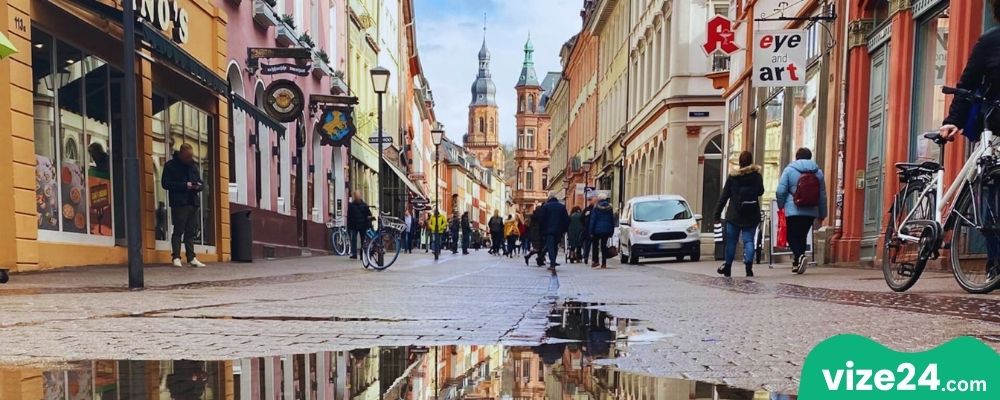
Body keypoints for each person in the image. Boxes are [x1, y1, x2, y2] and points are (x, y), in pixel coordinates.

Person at [939, 7, 1000, 280]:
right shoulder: (990, 40)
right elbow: (968, 83)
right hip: (996, 128)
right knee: (993, 194)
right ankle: (995, 264)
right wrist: (953, 119)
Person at [713, 151, 765, 277]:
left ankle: (728, 268)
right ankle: (748, 267)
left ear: (740, 162)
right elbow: (761, 191)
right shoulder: (756, 176)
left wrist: (717, 214)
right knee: (748, 241)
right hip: (751, 214)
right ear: (751, 161)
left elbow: (724, 196)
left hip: (734, 215)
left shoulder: (733, 177)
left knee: (731, 242)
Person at [776, 148, 827, 274]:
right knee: (802, 235)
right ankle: (797, 263)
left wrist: (781, 205)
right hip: (810, 210)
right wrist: (822, 213)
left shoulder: (789, 170)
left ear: (797, 157)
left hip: (793, 209)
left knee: (791, 236)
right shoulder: (818, 172)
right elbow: (822, 195)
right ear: (810, 157)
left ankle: (799, 256)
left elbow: (780, 191)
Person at [161, 143, 206, 268]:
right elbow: (165, 183)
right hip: (179, 203)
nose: (189, 159)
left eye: (190, 157)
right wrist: (184, 185)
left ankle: (191, 257)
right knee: (178, 230)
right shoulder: (171, 166)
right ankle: (176, 257)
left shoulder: (193, 166)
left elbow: (201, 182)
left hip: (192, 201)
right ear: (180, 154)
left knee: (191, 231)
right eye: (187, 157)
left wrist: (198, 186)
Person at [536, 193, 570, 271]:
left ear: (549, 198)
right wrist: (564, 230)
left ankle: (552, 264)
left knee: (550, 247)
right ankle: (552, 261)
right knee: (555, 246)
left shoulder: (546, 207)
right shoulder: (562, 207)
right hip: (558, 231)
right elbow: (566, 220)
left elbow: (541, 220)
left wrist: (541, 230)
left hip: (548, 231)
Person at [588, 195, 616, 269]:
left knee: (595, 245)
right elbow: (612, 220)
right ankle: (604, 263)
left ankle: (596, 261)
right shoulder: (610, 208)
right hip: (607, 230)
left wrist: (590, 231)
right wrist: (612, 231)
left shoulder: (596, 207)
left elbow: (593, 220)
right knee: (603, 246)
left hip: (597, 230)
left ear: (599, 199)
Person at [346, 191, 373, 260]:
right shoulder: (351, 205)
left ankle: (362, 254)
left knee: (363, 240)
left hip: (363, 225)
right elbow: (349, 216)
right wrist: (349, 225)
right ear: (355, 197)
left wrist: (369, 222)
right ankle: (354, 254)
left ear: (360, 196)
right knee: (353, 239)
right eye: (356, 196)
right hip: (354, 225)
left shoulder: (364, 205)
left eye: (358, 195)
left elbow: (369, 214)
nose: (357, 197)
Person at [581, 197, 597, 264]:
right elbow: (582, 218)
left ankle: (593, 259)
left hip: (594, 229)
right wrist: (584, 225)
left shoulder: (596, 209)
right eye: (593, 201)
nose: (593, 202)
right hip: (587, 229)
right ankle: (586, 257)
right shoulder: (587, 209)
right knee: (587, 244)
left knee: (594, 245)